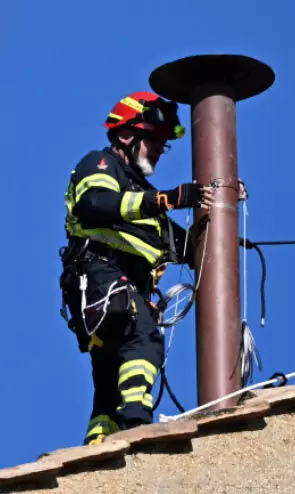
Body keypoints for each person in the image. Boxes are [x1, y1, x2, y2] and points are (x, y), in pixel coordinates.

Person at [59, 91, 214, 444]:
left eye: (163, 142)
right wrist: (164, 199)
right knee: (142, 341)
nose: (160, 149)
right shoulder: (100, 164)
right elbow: (94, 203)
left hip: (117, 292)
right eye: (153, 139)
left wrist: (225, 210)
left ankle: (99, 448)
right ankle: (137, 428)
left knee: (110, 377)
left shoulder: (146, 203)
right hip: (103, 279)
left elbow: (192, 249)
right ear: (126, 136)